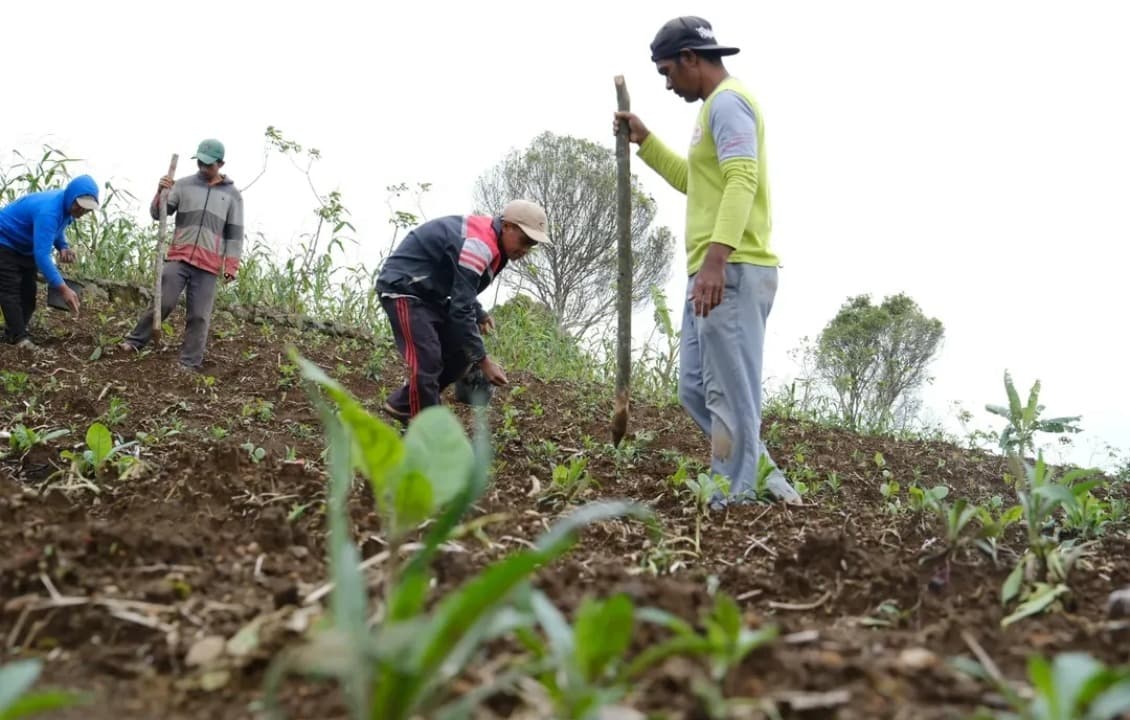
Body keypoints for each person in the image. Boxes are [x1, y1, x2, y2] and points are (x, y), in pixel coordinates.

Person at [613, 16, 801, 506]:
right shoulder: (712, 111)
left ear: (692, 59)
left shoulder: (729, 105)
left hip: (733, 270)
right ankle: (765, 477)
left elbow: (742, 179)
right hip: (712, 273)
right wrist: (646, 142)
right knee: (695, 388)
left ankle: (732, 497)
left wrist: (717, 260)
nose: (668, 83)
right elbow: (695, 182)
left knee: (730, 395)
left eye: (668, 72)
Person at [374, 199, 551, 425]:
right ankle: (428, 435)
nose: (525, 249)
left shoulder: (496, 245)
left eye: (532, 245)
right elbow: (460, 308)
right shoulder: (481, 245)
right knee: (427, 361)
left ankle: (402, 404)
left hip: (430, 294)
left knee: (461, 354)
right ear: (507, 226)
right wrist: (484, 361)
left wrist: (479, 313)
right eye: (525, 240)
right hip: (404, 289)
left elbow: (462, 289)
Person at [118, 139, 244, 372]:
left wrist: (231, 265)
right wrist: (161, 191)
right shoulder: (183, 185)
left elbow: (235, 232)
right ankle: (134, 341)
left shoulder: (233, 196)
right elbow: (159, 213)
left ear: (221, 163)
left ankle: (189, 363)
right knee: (163, 301)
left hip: (208, 264)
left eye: (209, 164)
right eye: (200, 162)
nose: (203, 168)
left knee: (199, 316)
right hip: (179, 256)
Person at [0, 174, 99, 349]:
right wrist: (63, 289)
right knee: (10, 290)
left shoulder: (67, 207)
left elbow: (56, 230)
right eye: (80, 206)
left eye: (87, 209)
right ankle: (19, 338)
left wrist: (63, 247)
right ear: (72, 197)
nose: (81, 212)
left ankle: (14, 331)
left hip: (24, 247)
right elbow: (42, 256)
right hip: (4, 240)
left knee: (28, 294)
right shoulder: (49, 210)